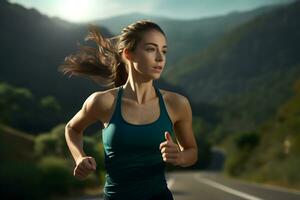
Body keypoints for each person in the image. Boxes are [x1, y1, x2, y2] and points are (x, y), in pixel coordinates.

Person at [60, 20, 198, 200]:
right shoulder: (103, 102)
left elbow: (192, 151)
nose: (160, 58)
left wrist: (179, 157)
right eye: (151, 49)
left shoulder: (176, 104)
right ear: (129, 54)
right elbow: (72, 129)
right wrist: (79, 158)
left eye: (163, 51)